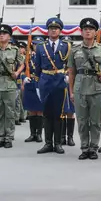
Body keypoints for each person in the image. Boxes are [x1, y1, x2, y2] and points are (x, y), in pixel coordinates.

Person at [68, 18, 101, 160]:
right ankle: (84, 147)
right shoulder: (75, 50)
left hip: (96, 87)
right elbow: (71, 72)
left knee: (95, 120)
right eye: (85, 29)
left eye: (91, 29)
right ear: (81, 32)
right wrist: (71, 92)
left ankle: (93, 148)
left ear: (96, 32)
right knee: (81, 120)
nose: (88, 31)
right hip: (80, 87)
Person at [30, 17, 70, 155]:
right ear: (48, 31)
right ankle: (48, 143)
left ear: (60, 30)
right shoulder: (41, 46)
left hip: (60, 81)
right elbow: (37, 68)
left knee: (58, 114)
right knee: (47, 114)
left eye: (56, 28)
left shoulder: (66, 46)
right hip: (45, 82)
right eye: (51, 28)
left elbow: (70, 65)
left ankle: (58, 143)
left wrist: (68, 76)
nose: (53, 30)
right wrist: (37, 85)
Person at [0, 24, 25, 148]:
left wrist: (17, 72)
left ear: (9, 36)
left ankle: (9, 137)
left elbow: (22, 64)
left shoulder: (14, 50)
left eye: (4, 33)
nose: (1, 35)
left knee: (10, 112)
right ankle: (0, 137)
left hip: (9, 84)